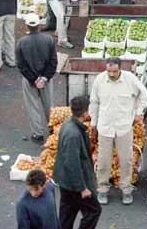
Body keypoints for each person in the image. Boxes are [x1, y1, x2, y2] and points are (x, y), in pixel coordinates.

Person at [90, 57, 147, 205]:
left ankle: (126, 190)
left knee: (126, 160)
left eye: (114, 71)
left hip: (124, 127)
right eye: (109, 71)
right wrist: (94, 123)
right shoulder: (100, 80)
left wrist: (139, 113)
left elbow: (143, 94)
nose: (111, 74)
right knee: (103, 161)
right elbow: (94, 102)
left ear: (120, 69)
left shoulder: (130, 80)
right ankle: (102, 189)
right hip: (105, 127)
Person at [54, 96, 102, 229]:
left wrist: (87, 157)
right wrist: (82, 188)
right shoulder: (73, 134)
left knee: (67, 214)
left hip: (65, 181)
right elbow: (72, 163)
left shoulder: (68, 124)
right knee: (94, 211)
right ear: (86, 112)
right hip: (74, 184)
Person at [16, 13, 59, 144]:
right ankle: (52, 128)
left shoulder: (21, 43)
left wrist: (33, 78)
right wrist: (44, 78)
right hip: (46, 79)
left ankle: (37, 133)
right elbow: (53, 61)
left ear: (27, 26)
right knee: (49, 104)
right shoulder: (49, 40)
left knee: (32, 106)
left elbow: (21, 65)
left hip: (30, 80)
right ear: (39, 25)